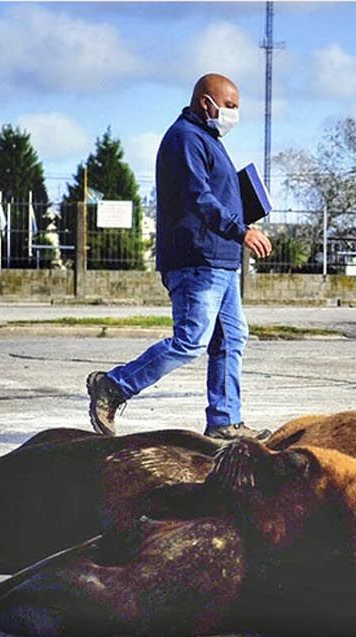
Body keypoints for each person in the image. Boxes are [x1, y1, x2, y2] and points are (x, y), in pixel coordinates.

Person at [87, 73, 273, 441]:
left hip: (220, 260)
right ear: (207, 103)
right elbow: (199, 198)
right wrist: (242, 231)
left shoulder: (207, 138)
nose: (234, 114)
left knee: (232, 337)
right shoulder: (185, 139)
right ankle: (113, 386)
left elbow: (216, 195)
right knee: (190, 340)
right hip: (197, 260)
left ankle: (224, 420)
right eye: (230, 106)